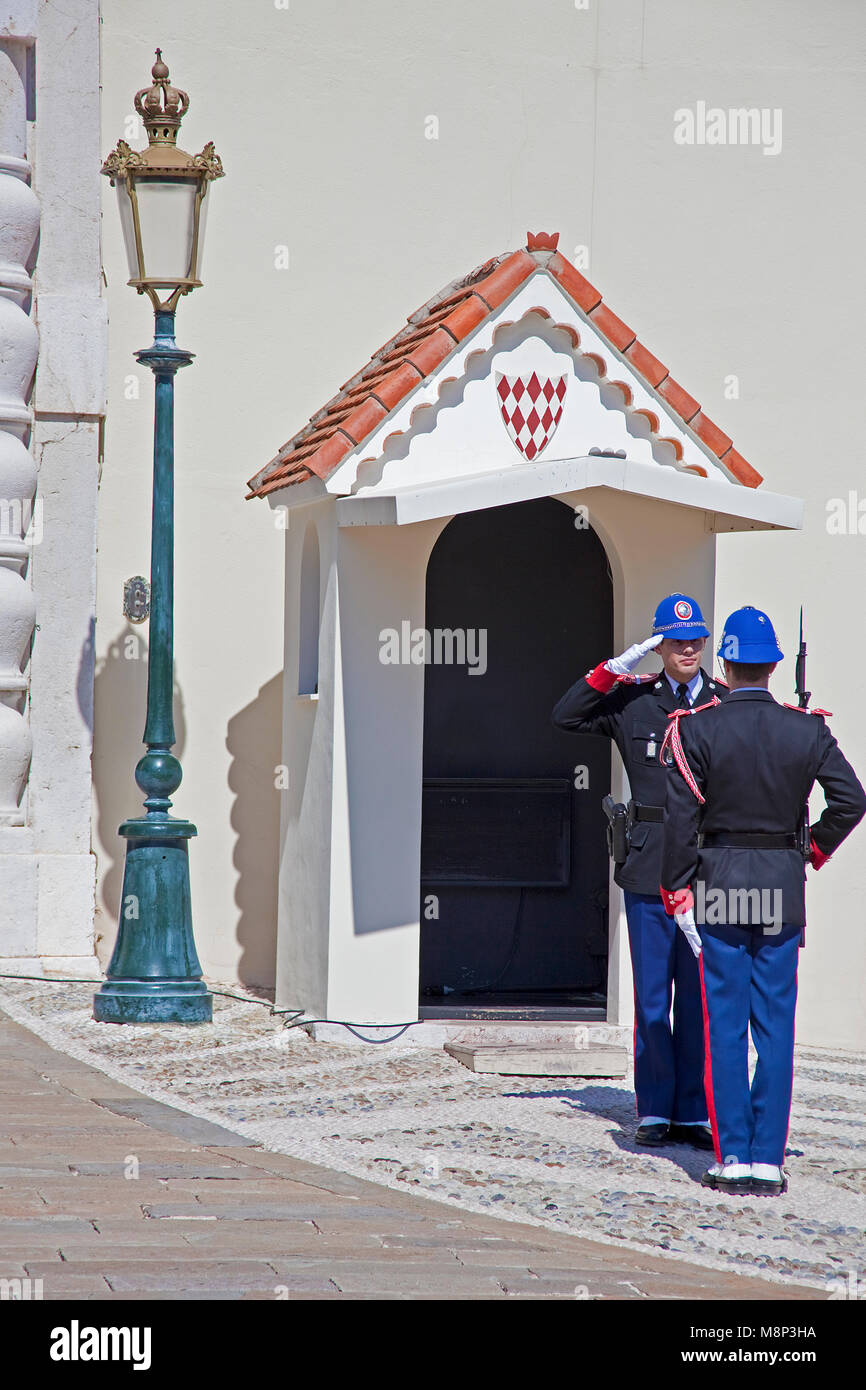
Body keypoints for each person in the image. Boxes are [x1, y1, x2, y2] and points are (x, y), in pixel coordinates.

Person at [660, 606, 866, 1195]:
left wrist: (677, 889)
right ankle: (768, 1159)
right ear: (774, 665)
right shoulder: (808, 729)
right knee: (775, 1026)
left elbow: (681, 820)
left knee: (724, 1023)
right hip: (780, 885)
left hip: (720, 882)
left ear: (725, 662)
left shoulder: (694, 727)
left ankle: (733, 1158)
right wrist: (810, 851)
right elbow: (851, 801)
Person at [552, 593, 726, 1149]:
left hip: (705, 866)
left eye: (697, 638)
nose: (689, 648)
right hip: (650, 862)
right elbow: (567, 714)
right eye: (676, 641)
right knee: (653, 995)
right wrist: (617, 667)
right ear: (659, 647)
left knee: (698, 995)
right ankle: (653, 1109)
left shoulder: (722, 705)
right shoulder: (635, 703)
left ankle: (694, 1112)